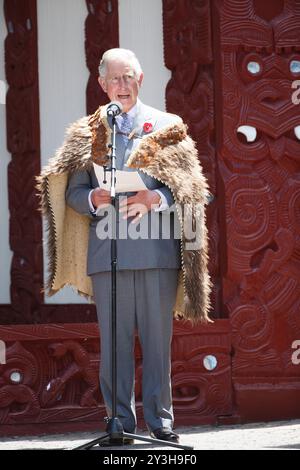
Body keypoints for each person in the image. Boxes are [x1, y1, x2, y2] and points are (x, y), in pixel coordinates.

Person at [37, 48, 211, 445]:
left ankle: (161, 422)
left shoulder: (167, 126)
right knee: (113, 344)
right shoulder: (87, 132)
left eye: (128, 77)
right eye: (114, 78)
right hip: (107, 254)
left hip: (155, 252)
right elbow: (71, 192)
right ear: (101, 84)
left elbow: (191, 188)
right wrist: (91, 199)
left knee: (156, 343)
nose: (122, 85)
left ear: (141, 79)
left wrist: (156, 199)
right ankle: (118, 423)